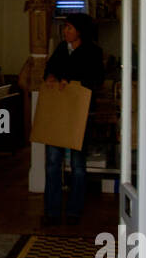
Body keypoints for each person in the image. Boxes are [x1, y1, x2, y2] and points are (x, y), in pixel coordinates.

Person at [42, 14, 104, 226]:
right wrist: (51, 76)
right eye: (64, 28)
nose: (65, 31)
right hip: (57, 115)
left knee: (78, 165)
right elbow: (49, 69)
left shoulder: (94, 52)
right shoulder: (61, 49)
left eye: (69, 28)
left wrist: (72, 82)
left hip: (80, 116)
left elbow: (96, 79)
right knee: (52, 163)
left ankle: (74, 211)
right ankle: (51, 211)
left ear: (80, 30)